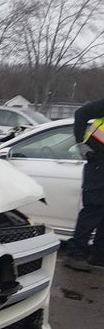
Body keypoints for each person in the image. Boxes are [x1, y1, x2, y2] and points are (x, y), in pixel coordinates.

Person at [64, 98, 104, 271]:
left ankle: (99, 255)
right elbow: (81, 113)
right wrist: (81, 144)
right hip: (98, 163)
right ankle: (75, 253)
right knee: (93, 209)